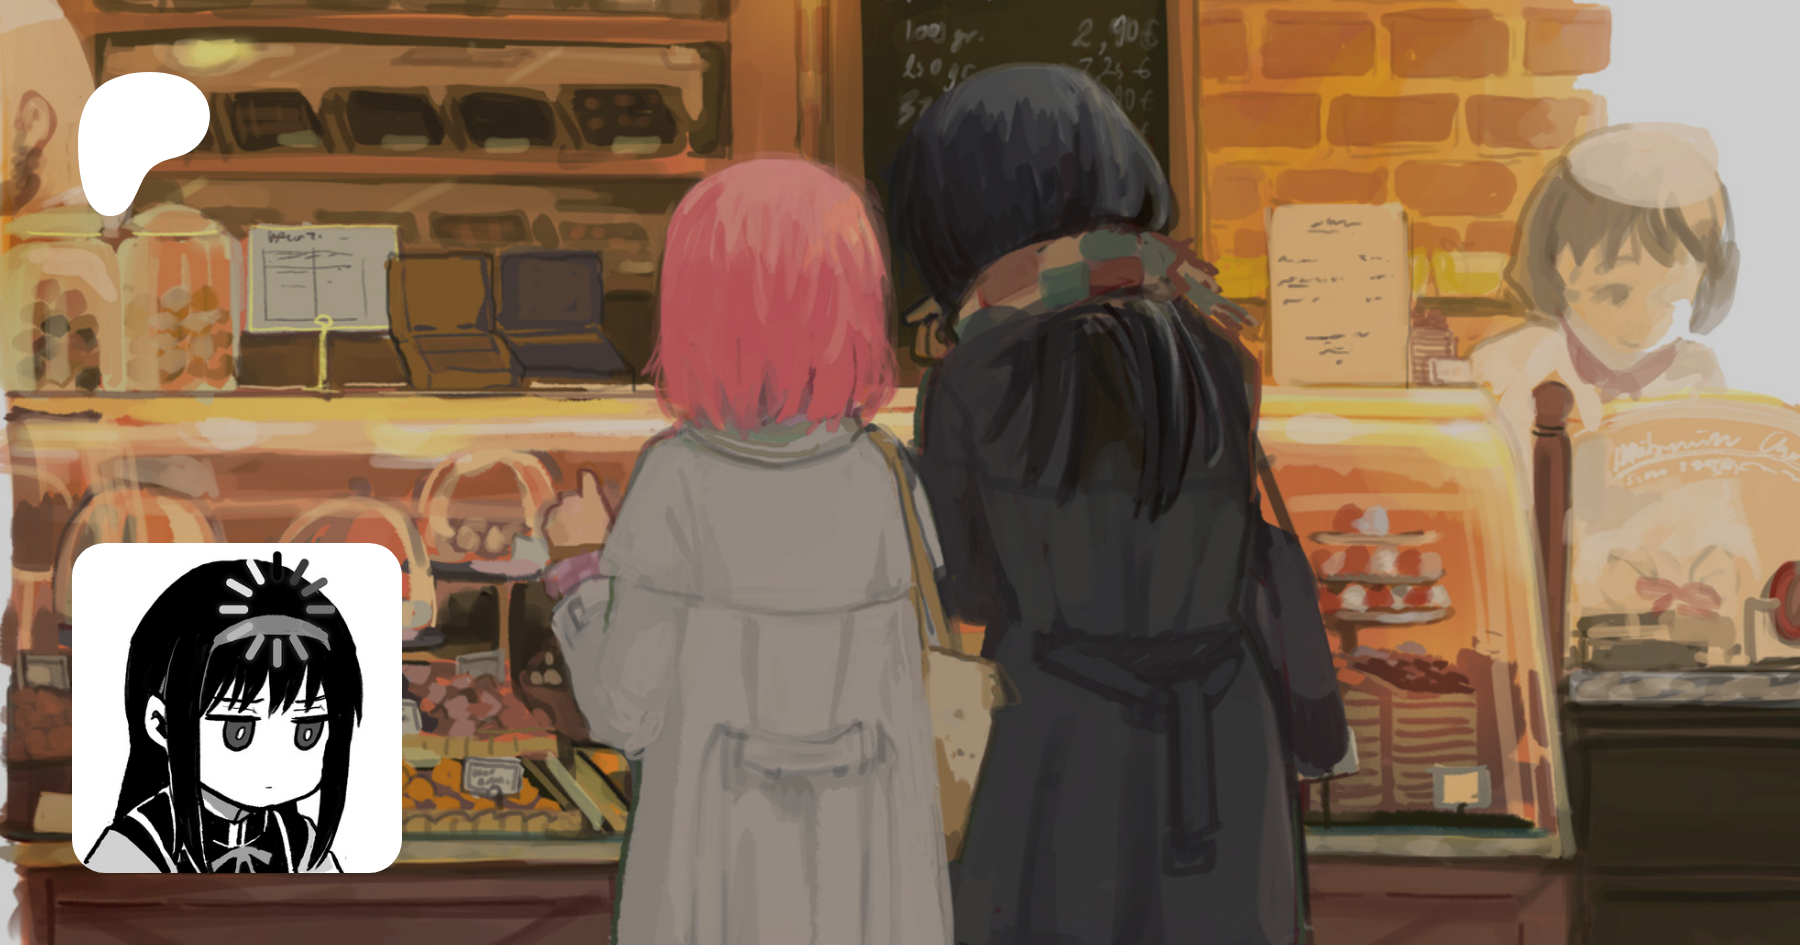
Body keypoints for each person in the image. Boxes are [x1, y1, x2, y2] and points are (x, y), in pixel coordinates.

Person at [889, 64, 1348, 945]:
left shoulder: (973, 375)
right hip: (1226, 735)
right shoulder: (1218, 348)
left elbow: (970, 590)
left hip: (1060, 742)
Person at [539, 157, 954, 945]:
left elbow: (624, 711)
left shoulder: (676, 478)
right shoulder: (886, 475)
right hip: (867, 888)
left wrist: (581, 566)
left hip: (713, 888)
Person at [85, 552, 360, 874]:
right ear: (161, 724)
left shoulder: (299, 840)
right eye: (237, 731)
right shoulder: (135, 847)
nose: (276, 762)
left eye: (306, 731)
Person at [1471, 122, 1738, 448]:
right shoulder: (1517, 362)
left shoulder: (1695, 373)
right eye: (1614, 295)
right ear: (1555, 265)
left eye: (1668, 299)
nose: (1642, 320)